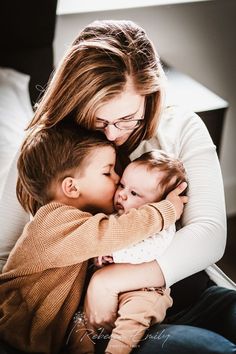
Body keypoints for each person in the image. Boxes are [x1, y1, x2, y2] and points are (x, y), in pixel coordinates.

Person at [1, 19, 236, 354]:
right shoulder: (47, 149)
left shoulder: (179, 125)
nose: (113, 134)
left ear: (150, 98)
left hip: (187, 290)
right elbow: (6, 258)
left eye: (127, 118)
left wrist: (110, 279)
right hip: (112, 322)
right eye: (100, 119)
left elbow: (211, 233)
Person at [0, 123, 185, 354]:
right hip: (12, 331)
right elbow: (114, 232)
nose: (117, 180)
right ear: (71, 187)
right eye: (108, 172)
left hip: (48, 336)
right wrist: (165, 210)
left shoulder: (82, 220)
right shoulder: (53, 221)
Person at [90, 150, 187, 354]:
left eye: (134, 193)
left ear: (157, 204)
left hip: (146, 290)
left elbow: (152, 249)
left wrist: (114, 255)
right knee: (81, 322)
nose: (122, 194)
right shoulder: (116, 215)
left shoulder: (161, 224)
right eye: (122, 185)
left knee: (132, 322)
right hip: (112, 290)